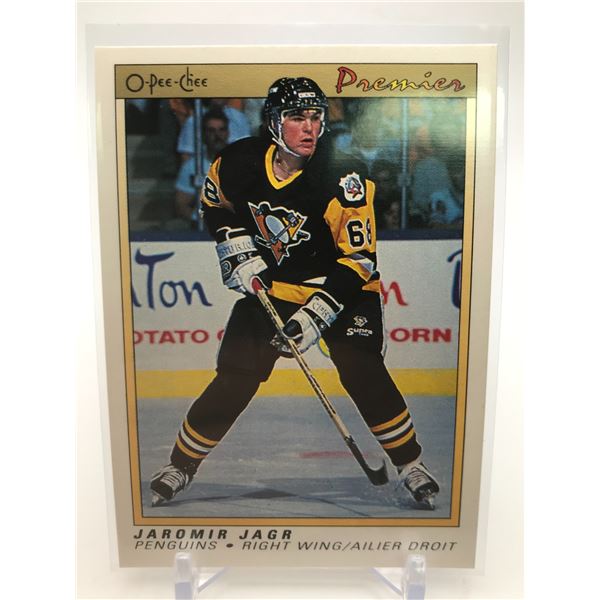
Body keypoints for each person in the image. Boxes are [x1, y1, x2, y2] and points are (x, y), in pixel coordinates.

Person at [150, 77, 440, 510]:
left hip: (343, 287)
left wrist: (316, 314)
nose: (309, 127)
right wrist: (233, 243)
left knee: (361, 367)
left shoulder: (343, 175)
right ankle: (180, 465)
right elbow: (215, 205)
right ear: (273, 122)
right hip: (279, 287)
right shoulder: (238, 162)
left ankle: (410, 464)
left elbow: (360, 259)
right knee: (236, 374)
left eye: (316, 117)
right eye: (296, 117)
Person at [172, 108, 229, 225]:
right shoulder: (192, 166)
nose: (217, 135)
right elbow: (181, 204)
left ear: (228, 133)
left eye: (221, 130)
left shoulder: (243, 162)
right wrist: (200, 220)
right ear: (203, 135)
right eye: (211, 131)